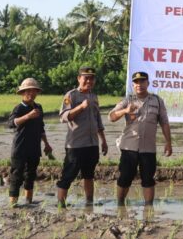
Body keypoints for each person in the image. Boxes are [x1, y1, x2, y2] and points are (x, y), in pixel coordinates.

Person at [109, 72, 173, 206]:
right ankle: (120, 204)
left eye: (142, 81)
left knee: (148, 179)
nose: (139, 85)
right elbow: (112, 117)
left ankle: (149, 208)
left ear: (148, 83)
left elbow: (164, 123)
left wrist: (168, 142)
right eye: (136, 82)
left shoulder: (157, 101)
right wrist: (125, 111)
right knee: (125, 177)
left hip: (148, 148)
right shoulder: (127, 100)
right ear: (133, 85)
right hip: (129, 147)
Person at [57, 66, 108, 207]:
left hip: (92, 144)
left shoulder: (94, 96)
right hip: (76, 145)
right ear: (79, 78)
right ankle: (61, 206)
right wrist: (80, 107)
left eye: (92, 78)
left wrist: (103, 140)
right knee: (68, 175)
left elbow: (98, 119)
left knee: (89, 175)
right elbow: (63, 117)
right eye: (86, 78)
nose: (89, 81)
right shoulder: (71, 95)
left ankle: (89, 203)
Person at [7, 78, 53, 207]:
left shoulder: (38, 107)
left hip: (34, 147)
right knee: (16, 176)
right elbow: (11, 124)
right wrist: (28, 116)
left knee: (31, 175)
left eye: (34, 91)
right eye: (28, 91)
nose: (31, 94)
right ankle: (13, 205)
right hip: (20, 148)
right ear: (22, 93)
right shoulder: (19, 108)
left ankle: (28, 201)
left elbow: (41, 127)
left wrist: (47, 144)